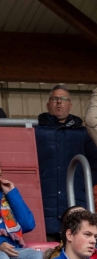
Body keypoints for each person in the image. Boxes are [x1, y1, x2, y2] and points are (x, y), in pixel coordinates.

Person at [36, 85, 97, 240]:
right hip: (43, 205)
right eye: (55, 98)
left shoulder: (83, 133)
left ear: (70, 105)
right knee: (48, 253)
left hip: (76, 203)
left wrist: (83, 185)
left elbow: (96, 164)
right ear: (48, 104)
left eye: (63, 99)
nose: (59, 102)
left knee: (78, 250)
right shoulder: (36, 132)